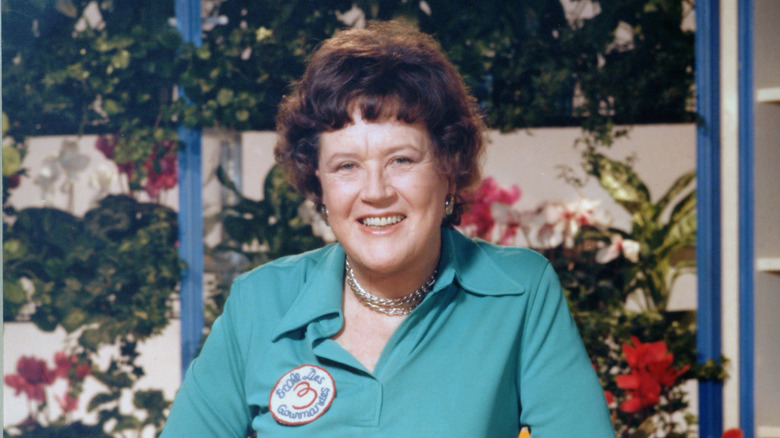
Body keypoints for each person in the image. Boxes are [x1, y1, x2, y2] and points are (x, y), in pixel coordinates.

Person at [162, 20, 614, 437]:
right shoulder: (258, 304)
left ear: (449, 167)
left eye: (401, 160)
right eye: (346, 166)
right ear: (317, 183)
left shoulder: (519, 292)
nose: (375, 191)